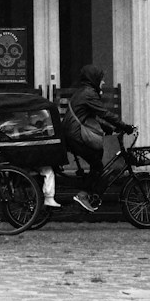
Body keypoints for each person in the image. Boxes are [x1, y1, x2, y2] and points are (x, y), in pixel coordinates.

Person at [59, 64, 133, 212]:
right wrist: (125, 127)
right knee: (97, 164)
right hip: (75, 135)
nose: (103, 82)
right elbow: (103, 113)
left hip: (71, 134)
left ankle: (87, 190)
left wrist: (110, 129)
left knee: (96, 159)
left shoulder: (82, 92)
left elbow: (93, 117)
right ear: (94, 79)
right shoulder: (88, 93)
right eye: (101, 79)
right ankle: (83, 195)